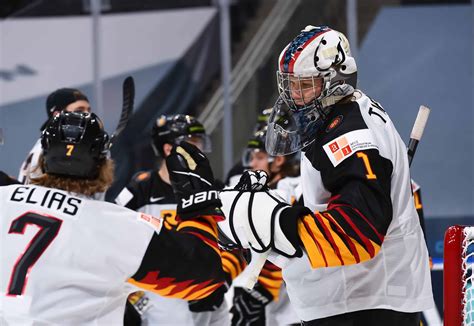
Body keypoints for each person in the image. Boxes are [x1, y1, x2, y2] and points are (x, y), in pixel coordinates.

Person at [218, 25, 434, 325]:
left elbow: (358, 234)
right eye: (290, 85)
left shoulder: (349, 135)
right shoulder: (337, 122)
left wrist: (276, 222)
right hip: (356, 300)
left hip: (364, 303)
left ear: (337, 80)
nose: (295, 96)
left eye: (305, 85)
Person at [0, 111, 226, 325]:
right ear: (103, 166)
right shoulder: (116, 226)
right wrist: (199, 205)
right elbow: (204, 278)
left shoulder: (3, 198)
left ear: (41, 160)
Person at [115, 114, 245, 326]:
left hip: (210, 307)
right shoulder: (138, 191)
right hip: (158, 309)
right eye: (193, 143)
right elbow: (114, 245)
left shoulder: (215, 190)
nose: (200, 150)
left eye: (201, 143)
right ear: (168, 149)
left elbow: (241, 242)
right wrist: (132, 297)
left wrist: (224, 279)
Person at [230, 128, 301, 326]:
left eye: (259, 157)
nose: (252, 164)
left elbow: (284, 245)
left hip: (286, 295)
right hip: (263, 289)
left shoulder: (291, 190)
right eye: (252, 157)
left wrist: (262, 289)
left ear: (278, 160)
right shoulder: (260, 190)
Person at [18, 88, 91, 184]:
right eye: (79, 111)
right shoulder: (54, 149)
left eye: (89, 110)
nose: (88, 116)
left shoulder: (50, 142)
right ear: (58, 115)